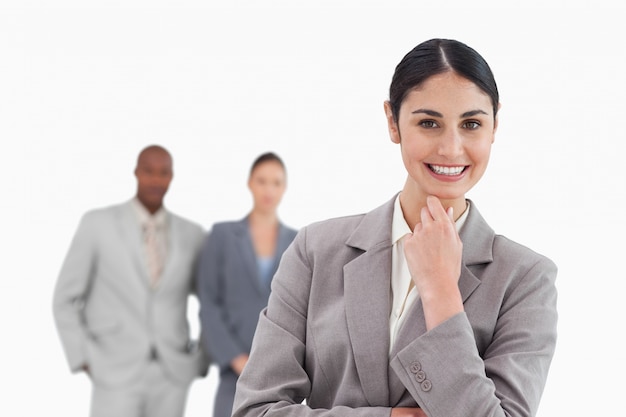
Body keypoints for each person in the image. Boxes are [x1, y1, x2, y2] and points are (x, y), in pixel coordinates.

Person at [231, 39, 558, 417]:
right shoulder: (316, 250)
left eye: (471, 124)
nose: (452, 149)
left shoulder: (524, 278)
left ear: (495, 125)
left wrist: (440, 293)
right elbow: (253, 410)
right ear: (393, 122)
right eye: (429, 123)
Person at [52, 145, 208, 417]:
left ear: (172, 177)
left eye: (164, 173)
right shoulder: (97, 224)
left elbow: (214, 300)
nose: (156, 180)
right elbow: (65, 298)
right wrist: (83, 357)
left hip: (173, 372)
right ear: (136, 172)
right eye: (148, 171)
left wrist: (202, 357)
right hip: (113, 368)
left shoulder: (193, 235)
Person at [196, 152, 298, 417]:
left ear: (284, 188)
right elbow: (209, 304)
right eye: (261, 181)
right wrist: (236, 358)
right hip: (235, 370)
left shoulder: (298, 242)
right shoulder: (222, 235)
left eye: (276, 183)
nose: (268, 190)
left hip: (280, 374)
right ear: (250, 183)